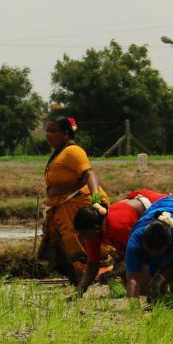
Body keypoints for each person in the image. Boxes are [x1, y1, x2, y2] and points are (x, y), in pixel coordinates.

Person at [39, 116, 104, 283]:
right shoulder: (60, 152)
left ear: (66, 134)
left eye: (53, 131)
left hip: (78, 208)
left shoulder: (73, 151)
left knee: (82, 247)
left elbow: (89, 174)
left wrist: (96, 201)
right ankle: (78, 281)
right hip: (63, 208)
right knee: (65, 248)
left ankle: (93, 279)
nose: (48, 134)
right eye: (47, 130)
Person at [73, 189, 168, 295]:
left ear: (95, 228)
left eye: (83, 233)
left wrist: (116, 272)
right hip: (136, 223)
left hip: (159, 205)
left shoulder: (116, 226)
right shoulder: (93, 234)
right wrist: (79, 291)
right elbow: (92, 265)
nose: (82, 237)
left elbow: (139, 252)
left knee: (144, 285)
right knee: (131, 279)